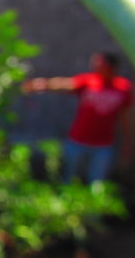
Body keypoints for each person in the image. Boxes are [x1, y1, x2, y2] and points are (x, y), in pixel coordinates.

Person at [23, 52, 133, 183]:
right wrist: (40, 84)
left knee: (97, 180)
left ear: (111, 67)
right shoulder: (89, 81)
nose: (95, 66)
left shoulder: (123, 88)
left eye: (99, 63)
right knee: (68, 176)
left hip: (103, 144)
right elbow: (64, 84)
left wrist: (127, 143)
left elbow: (126, 118)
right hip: (78, 140)